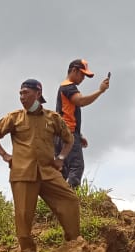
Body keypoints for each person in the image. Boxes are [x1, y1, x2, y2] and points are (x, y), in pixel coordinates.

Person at [0, 79, 81, 252]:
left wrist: (61, 159)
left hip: (48, 171)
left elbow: (69, 139)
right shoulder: (14, 117)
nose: (22, 97)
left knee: (70, 200)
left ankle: (73, 241)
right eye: (20, 93)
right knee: (23, 213)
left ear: (38, 93)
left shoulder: (52, 118)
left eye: (26, 93)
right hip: (23, 173)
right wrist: (5, 155)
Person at [56, 58, 111, 188]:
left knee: (62, 170)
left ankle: (58, 200)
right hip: (67, 134)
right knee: (76, 166)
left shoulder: (63, 87)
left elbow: (65, 113)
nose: (83, 78)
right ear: (74, 70)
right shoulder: (68, 87)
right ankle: (71, 200)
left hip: (61, 134)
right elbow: (81, 101)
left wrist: (79, 135)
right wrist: (100, 90)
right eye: (82, 74)